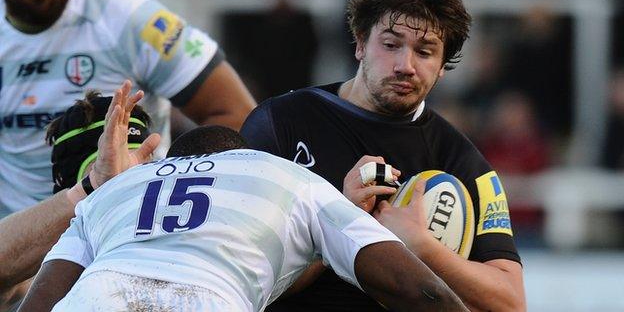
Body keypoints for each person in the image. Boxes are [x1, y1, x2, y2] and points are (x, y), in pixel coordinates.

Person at [241, 0, 525, 311]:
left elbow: (510, 302)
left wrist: (422, 247)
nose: (405, 64)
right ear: (360, 44)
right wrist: (341, 219)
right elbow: (237, 272)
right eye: (390, 44)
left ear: (442, 67)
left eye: (425, 52)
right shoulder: (279, 123)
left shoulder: (462, 162)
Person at [18, 108, 469, 311]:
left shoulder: (118, 189)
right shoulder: (288, 176)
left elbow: (40, 303)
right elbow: (417, 291)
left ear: (172, 165)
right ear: (245, 156)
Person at [0, 0, 256, 219]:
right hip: (19, 243)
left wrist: (174, 192)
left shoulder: (129, 18)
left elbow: (238, 116)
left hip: (125, 240)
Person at [0, 82, 160, 310]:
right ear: (70, 184)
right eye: (115, 172)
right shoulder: (42, 263)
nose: (131, 185)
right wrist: (94, 186)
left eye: (143, 167)